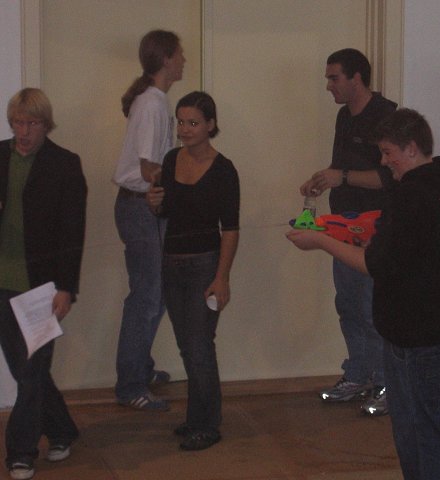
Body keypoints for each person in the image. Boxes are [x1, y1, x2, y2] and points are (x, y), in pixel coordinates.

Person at [288, 108, 440, 479]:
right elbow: (410, 244)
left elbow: (374, 264)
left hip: (419, 332)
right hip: (436, 323)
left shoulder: (412, 196)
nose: (385, 162)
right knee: (414, 424)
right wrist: (346, 228)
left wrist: (321, 239)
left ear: (412, 148)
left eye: (388, 153)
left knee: (420, 428)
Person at [299, 48, 397, 415]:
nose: (328, 86)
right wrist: (322, 180)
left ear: (356, 78)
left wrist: (340, 176)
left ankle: (386, 382)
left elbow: (389, 176)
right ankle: (358, 376)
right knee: (349, 305)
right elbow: (343, 168)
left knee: (374, 308)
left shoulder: (387, 115)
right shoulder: (344, 116)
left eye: (334, 78)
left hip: (374, 231)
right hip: (342, 227)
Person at [0, 88, 87, 480]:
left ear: (45, 124)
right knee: (25, 370)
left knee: (33, 372)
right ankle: (62, 430)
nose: (23, 132)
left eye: (31, 124)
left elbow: (73, 232)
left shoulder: (64, 164)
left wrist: (66, 287)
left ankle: (20, 453)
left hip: (42, 287)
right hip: (2, 282)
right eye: (17, 123)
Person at [146, 91, 240, 451]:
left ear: (210, 125)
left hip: (205, 264)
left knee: (200, 346)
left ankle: (207, 424)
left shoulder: (224, 169)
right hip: (172, 262)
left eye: (193, 123)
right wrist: (154, 203)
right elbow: (167, 212)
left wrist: (222, 277)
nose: (185, 129)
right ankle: (196, 417)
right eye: (181, 122)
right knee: (187, 346)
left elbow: (230, 229)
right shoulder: (171, 160)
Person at [112, 30, 186, 411]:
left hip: (145, 207)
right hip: (141, 207)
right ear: (167, 59)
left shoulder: (155, 100)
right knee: (147, 296)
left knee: (154, 294)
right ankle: (130, 385)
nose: (184, 60)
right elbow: (147, 167)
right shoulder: (152, 103)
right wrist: (185, 182)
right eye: (180, 54)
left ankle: (139, 367)